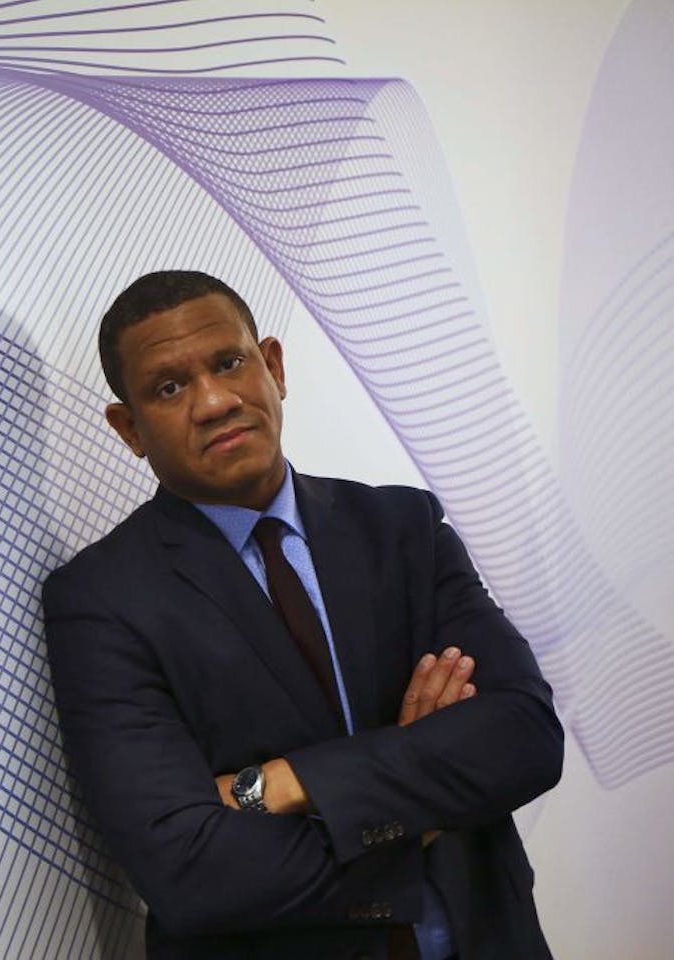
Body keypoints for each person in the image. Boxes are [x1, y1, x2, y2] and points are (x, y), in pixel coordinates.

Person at [42, 271, 563, 959]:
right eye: (169, 388)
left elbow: (525, 737)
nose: (215, 401)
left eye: (228, 363)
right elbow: (190, 873)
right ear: (129, 428)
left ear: (274, 367)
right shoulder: (100, 600)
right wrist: (428, 797)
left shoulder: (403, 526)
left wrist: (280, 784)